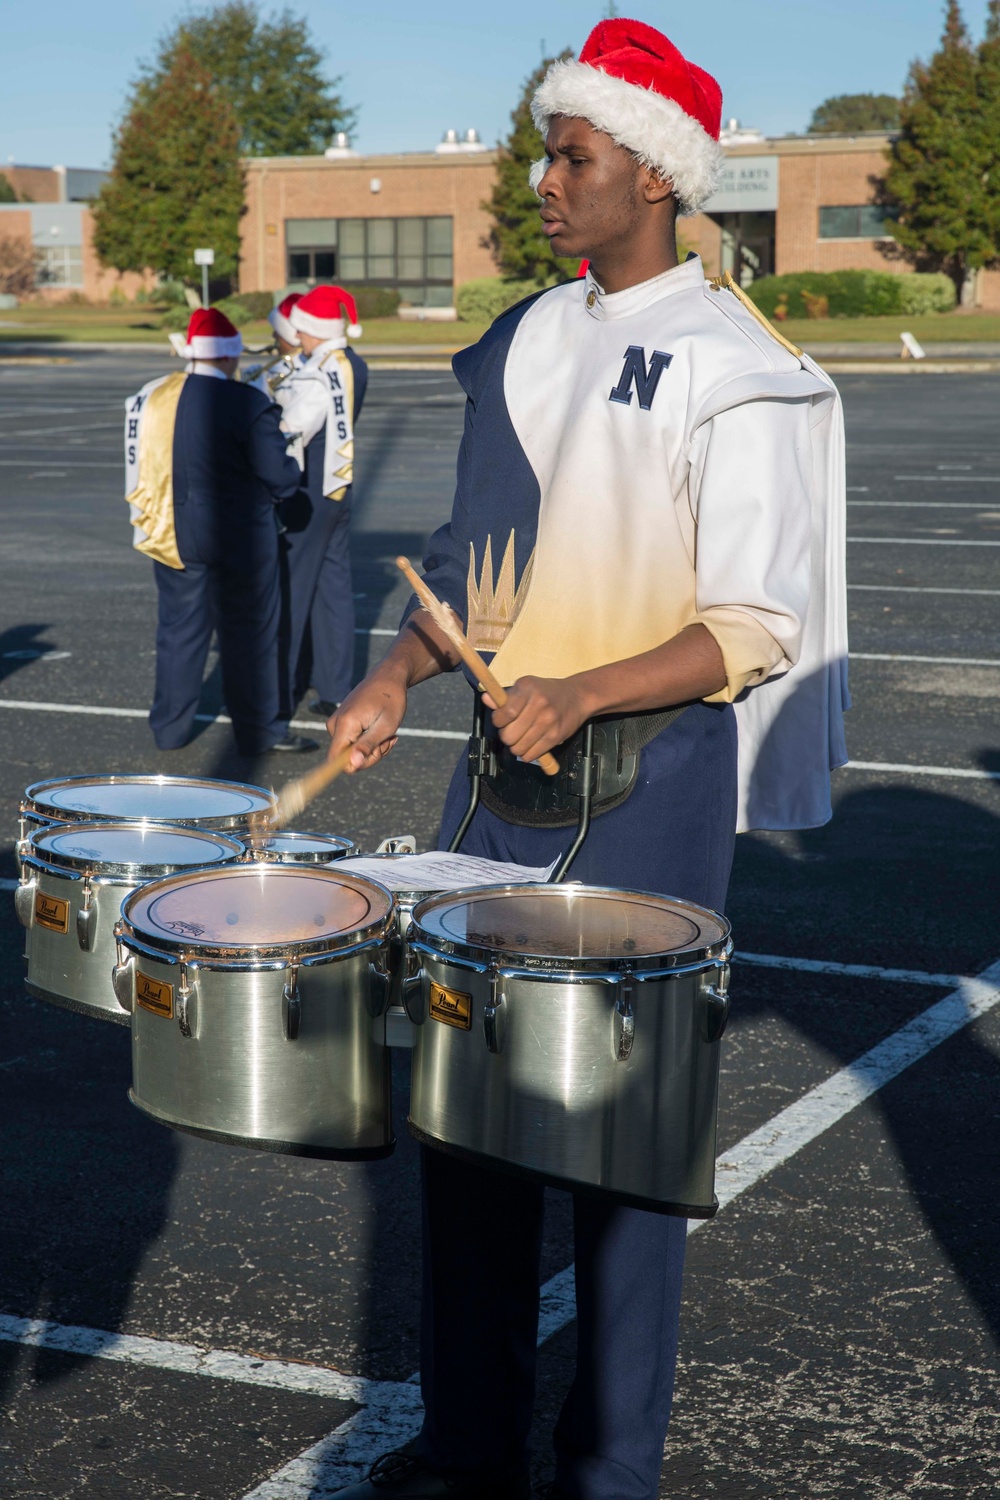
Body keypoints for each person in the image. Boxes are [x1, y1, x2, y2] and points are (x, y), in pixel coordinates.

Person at [325, 18, 848, 1500]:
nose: (545, 183)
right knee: (465, 1128)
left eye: (576, 158)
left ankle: (610, 1467)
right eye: (547, 154)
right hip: (494, 786)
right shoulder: (526, 341)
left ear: (658, 178)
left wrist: (583, 684)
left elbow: (749, 626)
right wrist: (391, 670)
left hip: (648, 798)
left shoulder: (735, 366)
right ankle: (469, 1444)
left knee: (624, 1158)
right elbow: (469, 570)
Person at [124, 306, 316, 756]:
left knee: (178, 630)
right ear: (229, 355)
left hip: (171, 526)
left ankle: (169, 728)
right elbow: (282, 477)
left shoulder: (151, 395)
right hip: (241, 536)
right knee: (250, 631)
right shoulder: (246, 402)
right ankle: (257, 729)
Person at [270, 284, 369, 723]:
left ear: (315, 330)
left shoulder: (318, 370)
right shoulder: (353, 364)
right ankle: (335, 689)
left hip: (308, 489)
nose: (299, 339)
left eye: (303, 331)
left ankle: (281, 691)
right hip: (339, 486)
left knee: (291, 589)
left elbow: (292, 429)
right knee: (333, 590)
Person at [243, 292, 304, 396]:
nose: (274, 335)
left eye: (278, 332)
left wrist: (260, 393)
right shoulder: (283, 366)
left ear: (291, 336)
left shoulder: (305, 369)